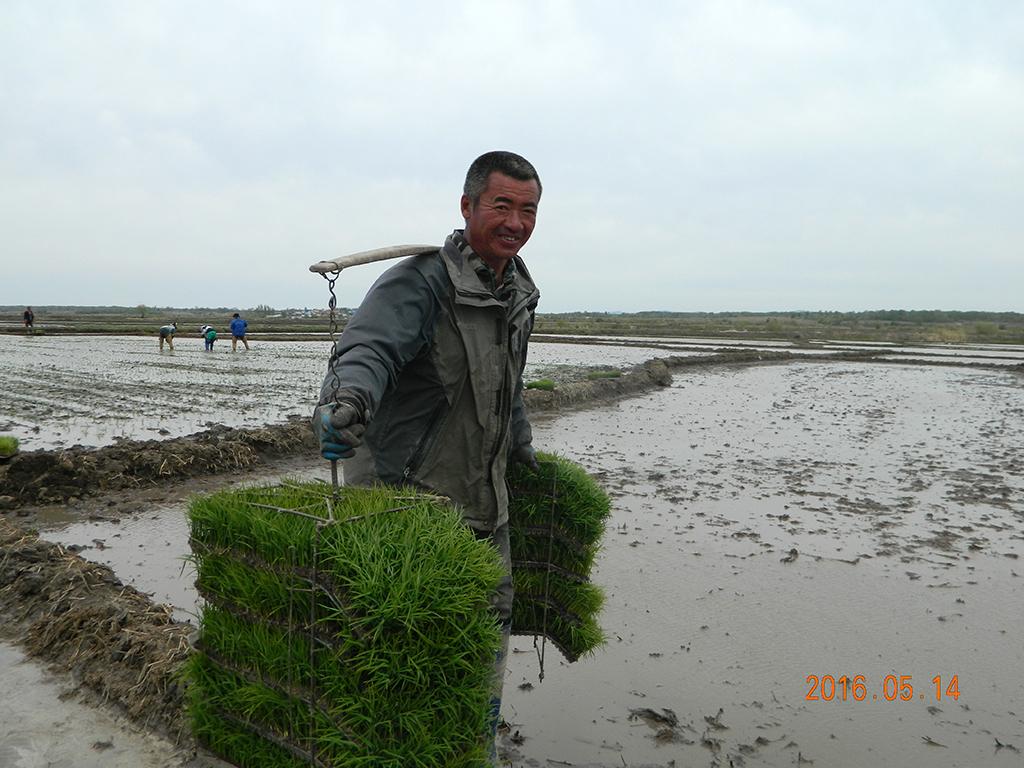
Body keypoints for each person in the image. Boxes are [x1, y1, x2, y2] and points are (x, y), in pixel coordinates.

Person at [313, 150, 543, 760]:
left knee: (487, 637)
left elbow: (507, 380)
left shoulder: (517, 289)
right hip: (406, 504)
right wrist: (347, 402)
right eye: (502, 206)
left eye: (528, 210)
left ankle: (476, 751)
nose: (516, 222)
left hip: (484, 506)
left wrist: (519, 443)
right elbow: (368, 350)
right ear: (467, 207)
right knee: (398, 658)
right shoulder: (421, 283)